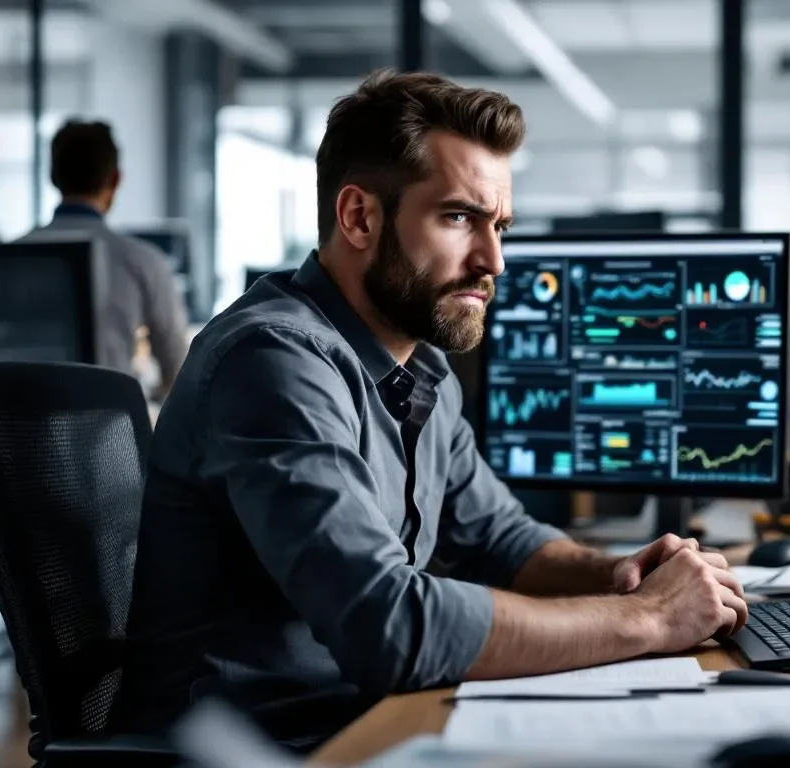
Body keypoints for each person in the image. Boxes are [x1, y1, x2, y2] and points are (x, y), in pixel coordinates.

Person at [111, 70, 750, 752]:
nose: (493, 260)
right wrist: (650, 619)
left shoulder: (421, 367)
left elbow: (501, 539)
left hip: (358, 719)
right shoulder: (272, 359)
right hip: (251, 748)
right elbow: (386, 624)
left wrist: (620, 575)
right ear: (359, 217)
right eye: (459, 218)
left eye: (499, 225)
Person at [19, 119, 189, 394]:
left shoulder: (9, 258)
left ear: (52, 176)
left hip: (14, 431)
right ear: (115, 179)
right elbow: (180, 371)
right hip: (108, 432)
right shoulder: (143, 262)